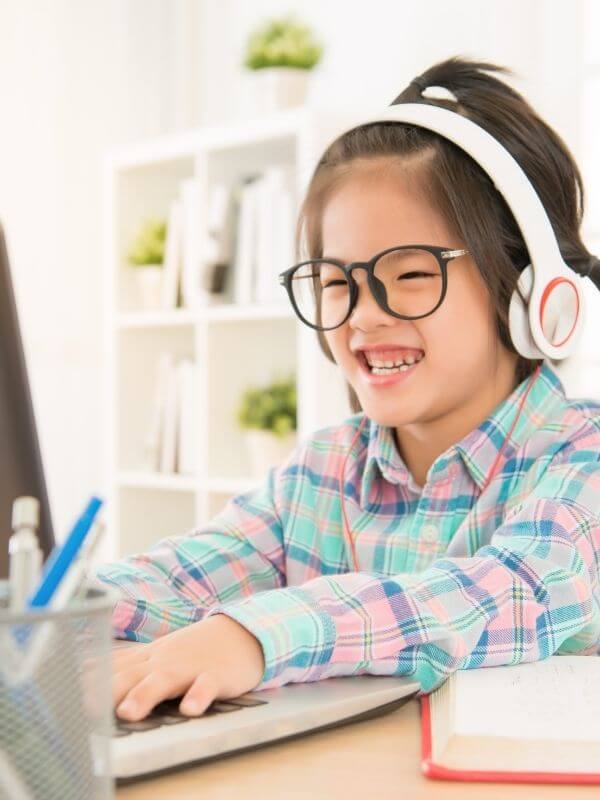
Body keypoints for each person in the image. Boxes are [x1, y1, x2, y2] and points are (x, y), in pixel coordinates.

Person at [97, 55, 600, 723]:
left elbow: (500, 595)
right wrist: (51, 614)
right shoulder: (324, 473)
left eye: (413, 274)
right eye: (336, 283)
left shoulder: (579, 460)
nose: (363, 316)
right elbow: (176, 582)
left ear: (530, 292)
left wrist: (253, 635)